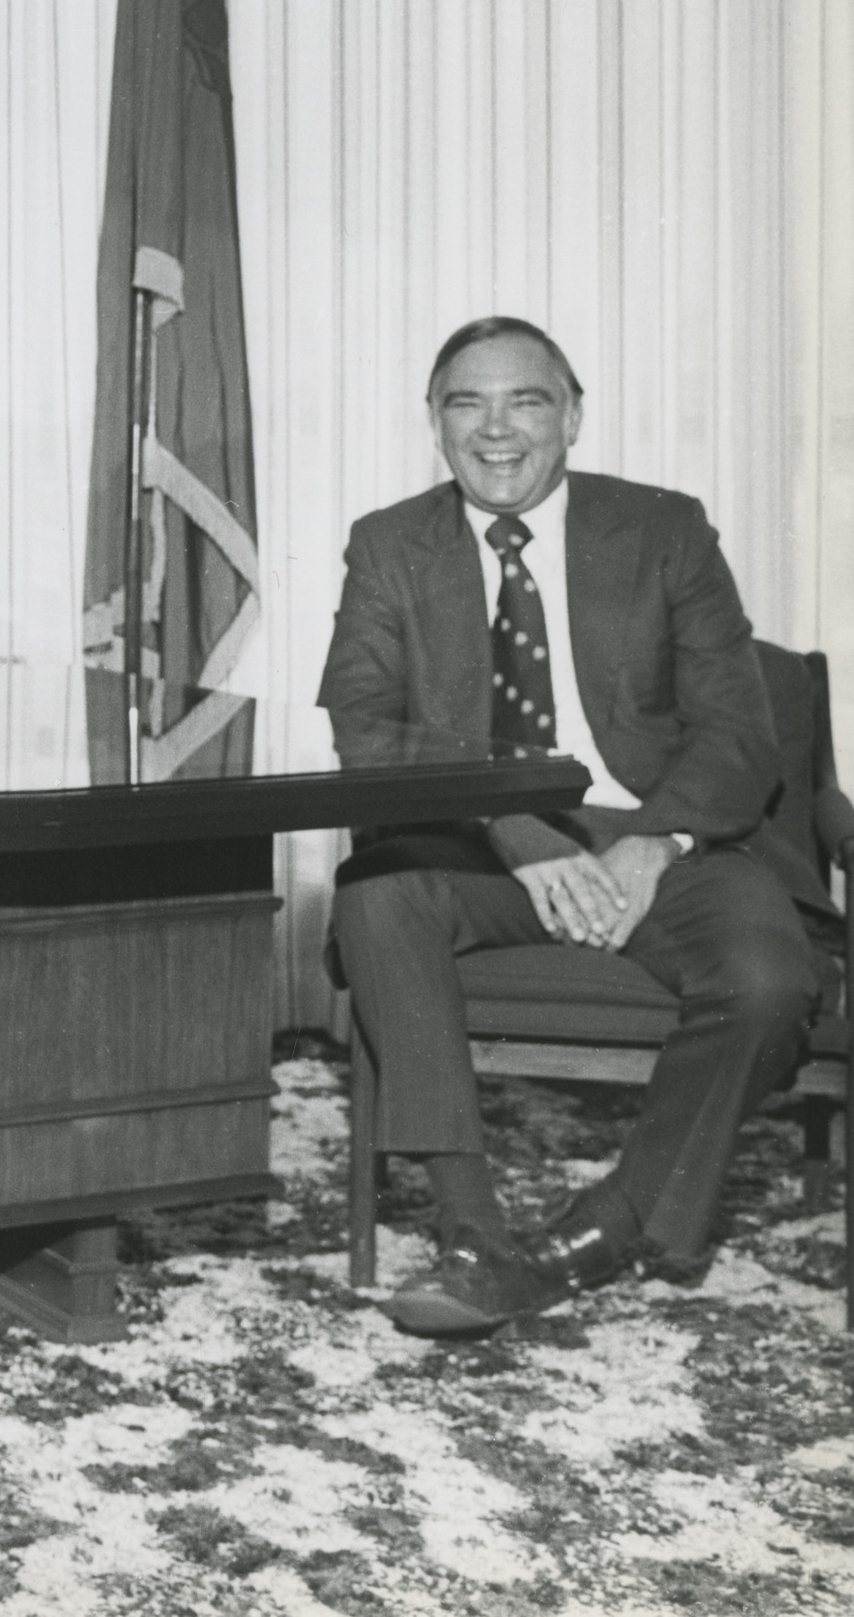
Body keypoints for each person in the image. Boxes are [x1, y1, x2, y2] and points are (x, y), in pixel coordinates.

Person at [319, 316, 816, 1339]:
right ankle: (469, 1231)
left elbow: (739, 727)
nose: (496, 430)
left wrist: (655, 842)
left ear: (573, 416)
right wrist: (515, 830)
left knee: (770, 981)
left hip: (660, 835)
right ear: (434, 422)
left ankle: (605, 1229)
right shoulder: (386, 545)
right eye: (467, 403)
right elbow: (368, 734)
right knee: (376, 893)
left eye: (526, 401)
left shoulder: (664, 528)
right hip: (479, 842)